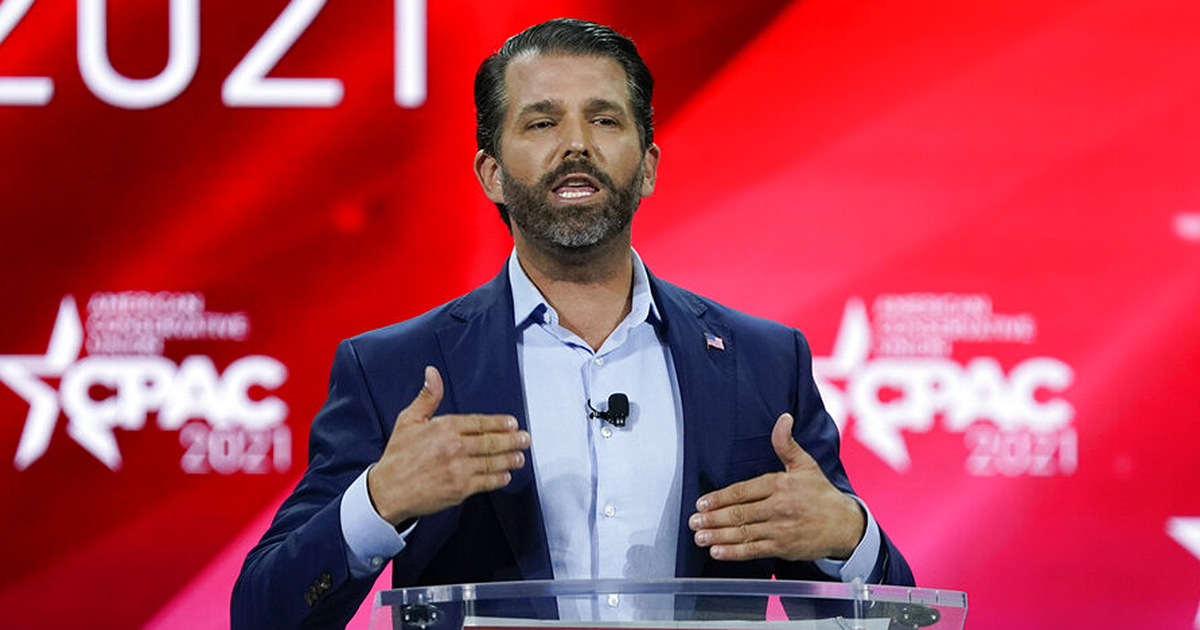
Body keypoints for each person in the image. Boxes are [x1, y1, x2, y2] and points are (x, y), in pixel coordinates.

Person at [231, 18, 913, 630]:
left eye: (606, 120)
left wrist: (849, 538)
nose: (577, 145)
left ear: (647, 167)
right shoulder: (393, 371)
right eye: (541, 122)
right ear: (491, 173)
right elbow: (261, 614)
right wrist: (376, 503)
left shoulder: (765, 361)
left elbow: (891, 612)